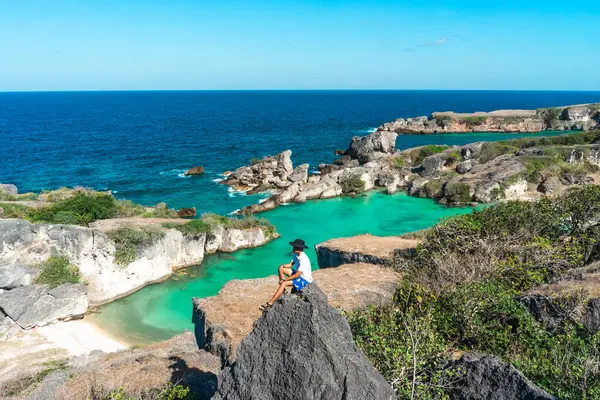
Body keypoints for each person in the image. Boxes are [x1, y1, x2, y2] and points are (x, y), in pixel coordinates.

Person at [259, 238, 313, 311]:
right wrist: (282, 266)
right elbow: (290, 265)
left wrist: (285, 279)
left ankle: (270, 303)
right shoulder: (296, 254)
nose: (292, 248)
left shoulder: (304, 259)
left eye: (294, 247)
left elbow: (297, 275)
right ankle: (283, 290)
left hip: (304, 279)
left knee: (284, 283)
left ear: (298, 249)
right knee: (281, 268)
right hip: (299, 275)